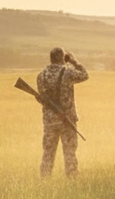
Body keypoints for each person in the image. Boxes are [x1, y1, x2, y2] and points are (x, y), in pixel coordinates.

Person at [37, 46, 88, 178]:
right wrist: (73, 61)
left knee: (48, 153)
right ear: (62, 58)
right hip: (67, 120)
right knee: (69, 153)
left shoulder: (41, 75)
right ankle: (72, 180)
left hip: (49, 121)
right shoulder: (68, 72)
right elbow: (85, 75)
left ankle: (44, 181)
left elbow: (43, 99)